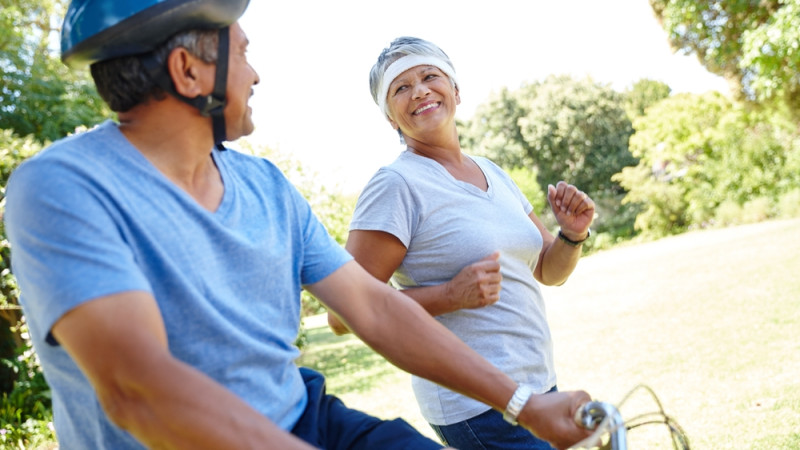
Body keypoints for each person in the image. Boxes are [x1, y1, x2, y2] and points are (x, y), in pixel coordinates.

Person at [3, 2, 595, 449]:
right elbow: (138, 389)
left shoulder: (266, 187)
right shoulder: (62, 188)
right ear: (188, 71)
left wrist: (523, 404)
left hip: (302, 417)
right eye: (244, 51)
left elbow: (372, 306)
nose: (256, 75)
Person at [327, 36, 596, 450]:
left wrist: (572, 233)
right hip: (474, 404)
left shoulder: (491, 170)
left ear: (455, 90)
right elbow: (342, 314)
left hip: (537, 383)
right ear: (391, 118)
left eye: (429, 76)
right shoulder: (396, 185)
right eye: (401, 88)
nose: (419, 90)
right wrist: (449, 295)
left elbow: (548, 270)